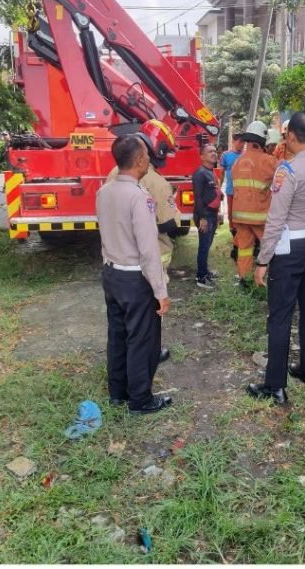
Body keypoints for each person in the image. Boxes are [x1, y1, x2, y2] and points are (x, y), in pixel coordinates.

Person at [248, 111, 305, 405]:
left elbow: (276, 219)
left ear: (293, 137)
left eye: (286, 136)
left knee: (281, 315)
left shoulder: (288, 171)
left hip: (291, 250)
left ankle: (275, 386)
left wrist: (263, 260)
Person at [96, 134, 173, 414]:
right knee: (142, 339)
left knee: (117, 334)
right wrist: (160, 291)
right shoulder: (140, 197)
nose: (150, 159)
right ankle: (140, 399)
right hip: (135, 279)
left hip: (112, 274)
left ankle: (118, 392)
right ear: (139, 160)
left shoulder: (104, 192)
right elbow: (148, 251)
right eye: (147, 155)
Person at [105, 119, 180, 363]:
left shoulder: (112, 176)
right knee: (150, 313)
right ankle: (150, 353)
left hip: (115, 265)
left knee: (120, 324)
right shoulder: (157, 183)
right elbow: (170, 225)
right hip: (148, 263)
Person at [230, 120, 278, 285]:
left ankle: (244, 279)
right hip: (260, 216)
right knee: (270, 246)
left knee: (244, 249)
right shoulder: (269, 161)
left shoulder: (237, 162)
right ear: (263, 140)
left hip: (240, 216)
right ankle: (272, 277)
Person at [191, 144, 221, 288]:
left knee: (207, 245)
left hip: (212, 214)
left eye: (215, 151)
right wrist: (202, 218)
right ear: (202, 156)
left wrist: (218, 212)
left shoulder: (211, 172)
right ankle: (201, 278)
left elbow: (214, 194)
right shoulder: (200, 173)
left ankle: (205, 271)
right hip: (205, 215)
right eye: (210, 152)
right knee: (203, 246)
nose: (214, 153)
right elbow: (198, 198)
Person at [219, 130, 245, 254]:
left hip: (244, 193)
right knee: (231, 216)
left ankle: (242, 239)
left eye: (243, 142)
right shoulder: (226, 155)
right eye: (240, 141)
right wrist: (218, 189)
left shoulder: (246, 155)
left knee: (242, 216)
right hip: (231, 192)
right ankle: (234, 238)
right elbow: (222, 173)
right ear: (234, 141)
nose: (242, 144)